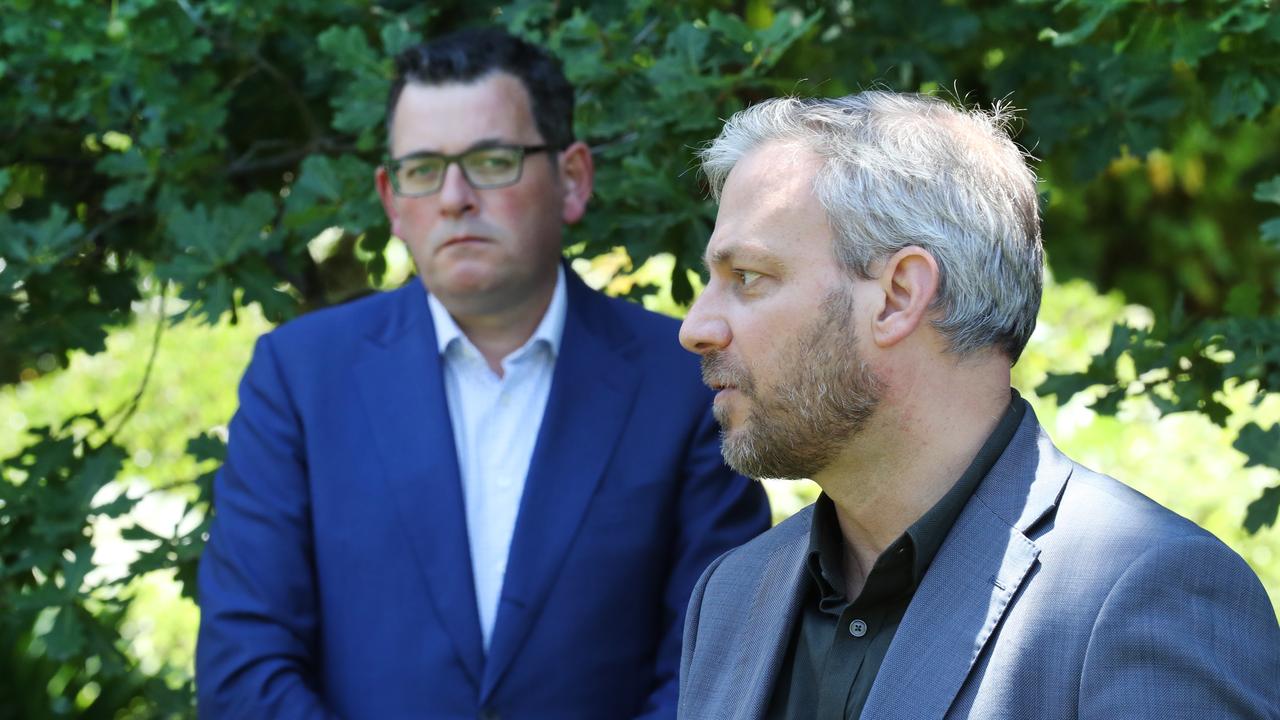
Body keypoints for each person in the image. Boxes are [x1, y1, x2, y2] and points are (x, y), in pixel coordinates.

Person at [195, 27, 770, 720]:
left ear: (572, 179)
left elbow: (715, 667)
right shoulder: (299, 378)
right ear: (390, 201)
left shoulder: (683, 383)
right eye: (422, 169)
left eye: (491, 160)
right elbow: (245, 665)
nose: (454, 197)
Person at [676, 92, 1280, 719]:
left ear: (899, 296)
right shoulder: (732, 597)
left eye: (747, 277)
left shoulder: (1148, 595)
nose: (696, 327)